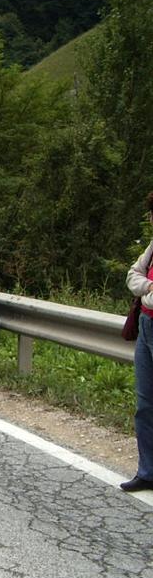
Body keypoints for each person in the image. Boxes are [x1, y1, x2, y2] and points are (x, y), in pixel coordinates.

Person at [122, 193, 153, 492]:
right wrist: (149, 288)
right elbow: (133, 274)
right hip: (146, 324)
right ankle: (147, 471)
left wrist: (147, 289)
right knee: (145, 404)